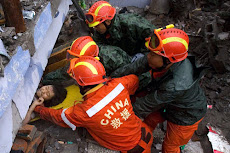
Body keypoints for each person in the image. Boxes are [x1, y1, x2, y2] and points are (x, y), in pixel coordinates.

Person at [110, 25, 207, 153]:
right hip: (169, 103)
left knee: (170, 147)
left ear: (169, 60)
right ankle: (145, 140)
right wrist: (110, 79)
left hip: (186, 115)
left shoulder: (175, 84)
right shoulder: (161, 58)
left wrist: (118, 117)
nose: (148, 56)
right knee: (149, 121)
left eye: (152, 54)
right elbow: (134, 67)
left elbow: (145, 104)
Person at [32, 56, 154, 152]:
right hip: (144, 132)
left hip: (129, 148)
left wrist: (38, 109)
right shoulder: (119, 84)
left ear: (82, 84)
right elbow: (134, 80)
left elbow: (59, 117)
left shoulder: (85, 112)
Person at [42, 36, 131, 85]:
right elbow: (64, 72)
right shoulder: (87, 53)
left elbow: (126, 73)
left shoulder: (113, 58)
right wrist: (45, 80)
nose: (72, 60)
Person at [86, 1, 156, 56]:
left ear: (107, 21)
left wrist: (145, 55)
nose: (95, 28)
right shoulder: (101, 31)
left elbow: (155, 35)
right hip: (127, 56)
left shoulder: (131, 23)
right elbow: (97, 46)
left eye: (97, 25)